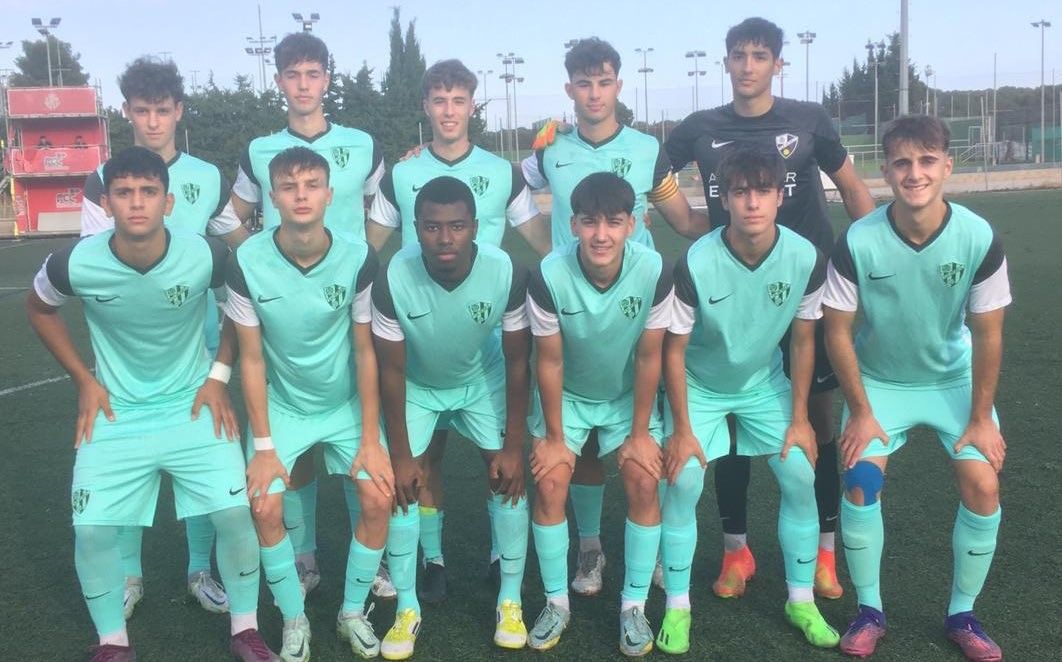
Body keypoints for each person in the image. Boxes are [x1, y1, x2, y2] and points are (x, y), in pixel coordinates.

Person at [26, 146, 275, 662]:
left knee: (235, 514)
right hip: (117, 413)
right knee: (91, 527)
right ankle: (113, 643)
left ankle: (245, 631)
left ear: (167, 202)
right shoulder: (74, 261)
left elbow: (240, 307)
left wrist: (218, 375)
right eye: (124, 193)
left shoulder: (207, 253)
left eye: (147, 192)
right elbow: (39, 307)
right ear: (108, 203)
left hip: (192, 406)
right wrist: (84, 380)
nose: (136, 203)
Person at [664, 17, 875, 599]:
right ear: (726, 63)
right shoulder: (702, 128)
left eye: (761, 55)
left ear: (778, 63)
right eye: (740, 55)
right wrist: (686, 221)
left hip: (804, 289)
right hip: (735, 287)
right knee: (731, 422)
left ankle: (824, 551)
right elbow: (655, 170)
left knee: (816, 424)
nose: (750, 65)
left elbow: (852, 188)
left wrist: (876, 252)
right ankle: (737, 552)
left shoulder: (809, 119)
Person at [521, 37, 708, 598]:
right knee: (580, 456)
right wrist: (540, 242)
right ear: (569, 89)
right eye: (584, 83)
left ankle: (637, 553)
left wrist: (743, 229)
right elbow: (504, 194)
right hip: (571, 306)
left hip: (630, 313)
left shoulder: (650, 150)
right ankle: (590, 548)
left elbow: (683, 220)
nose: (594, 93)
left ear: (619, 86)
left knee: (629, 448)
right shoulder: (548, 150)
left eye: (604, 82)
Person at [822, 115, 1010, 661]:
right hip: (880, 382)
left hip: (954, 380)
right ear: (886, 170)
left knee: (982, 484)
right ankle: (869, 611)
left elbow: (989, 335)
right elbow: (837, 330)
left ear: (947, 166)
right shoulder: (858, 239)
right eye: (902, 162)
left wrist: (980, 419)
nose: (915, 173)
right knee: (859, 479)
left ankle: (962, 616)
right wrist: (859, 412)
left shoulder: (978, 237)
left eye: (927, 161)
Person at [366, 58, 548, 602]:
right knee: (427, 460)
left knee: (500, 461)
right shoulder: (403, 174)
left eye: (458, 100)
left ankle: (500, 555)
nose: (449, 111)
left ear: (473, 106)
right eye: (439, 101)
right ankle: (434, 557)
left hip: (485, 339)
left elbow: (540, 237)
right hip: (420, 335)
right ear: (426, 107)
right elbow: (370, 246)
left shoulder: (502, 171)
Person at [77, 56, 249, 621]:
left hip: (198, 350)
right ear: (126, 113)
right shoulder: (105, 180)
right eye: (141, 111)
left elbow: (238, 246)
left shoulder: (206, 177)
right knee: (122, 465)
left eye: (163, 110)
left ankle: (201, 569)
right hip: (125, 361)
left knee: (203, 467)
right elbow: (95, 267)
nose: (153, 122)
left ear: (179, 111)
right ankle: (128, 574)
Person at [658, 145, 837, 654]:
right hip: (700, 385)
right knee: (684, 479)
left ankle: (800, 600)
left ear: (781, 196)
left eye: (763, 192)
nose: (752, 203)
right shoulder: (695, 261)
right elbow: (674, 350)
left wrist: (800, 417)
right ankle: (677, 607)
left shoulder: (805, 258)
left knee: (801, 472)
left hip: (763, 384)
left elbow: (804, 339)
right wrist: (682, 428)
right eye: (741, 192)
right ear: (725, 198)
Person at [228, 33, 386, 596]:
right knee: (298, 453)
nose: (303, 85)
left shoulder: (362, 143)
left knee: (354, 422)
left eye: (312, 74)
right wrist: (255, 261)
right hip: (287, 293)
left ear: (326, 79)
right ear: (279, 82)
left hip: (347, 290)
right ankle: (306, 554)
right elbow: (232, 217)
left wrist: (363, 256)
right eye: (292, 75)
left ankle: (379, 554)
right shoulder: (259, 149)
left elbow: (383, 208)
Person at [224, 147, 393, 661]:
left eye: (311, 184)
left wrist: (369, 437)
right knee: (264, 503)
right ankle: (295, 617)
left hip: (344, 403)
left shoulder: (360, 256)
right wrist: (264, 445)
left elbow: (365, 350)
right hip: (287, 406)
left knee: (378, 498)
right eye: (290, 186)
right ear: (272, 197)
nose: (301, 195)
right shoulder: (245, 260)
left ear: (329, 193)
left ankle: (349, 612)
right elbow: (251, 360)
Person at [372, 175, 532, 657]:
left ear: (475, 227)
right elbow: (391, 374)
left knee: (505, 476)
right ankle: (407, 607)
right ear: (414, 228)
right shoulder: (391, 277)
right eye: (433, 227)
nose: (445, 239)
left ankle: (510, 600)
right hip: (419, 385)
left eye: (457, 226)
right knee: (403, 485)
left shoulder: (506, 271)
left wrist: (514, 446)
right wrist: (401, 457)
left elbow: (518, 361)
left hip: (481, 381)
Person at [525, 172, 673, 655]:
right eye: (590, 223)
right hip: (567, 395)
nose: (601, 234)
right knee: (549, 480)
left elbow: (651, 356)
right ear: (573, 224)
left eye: (613, 222)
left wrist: (639, 434)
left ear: (632, 224)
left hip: (626, 394)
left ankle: (633, 606)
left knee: (644, 478)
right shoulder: (548, 273)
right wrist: (551, 437)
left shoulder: (654, 270)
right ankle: (556, 603)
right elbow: (549, 359)